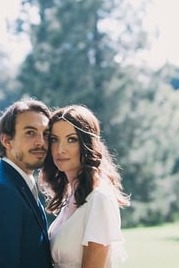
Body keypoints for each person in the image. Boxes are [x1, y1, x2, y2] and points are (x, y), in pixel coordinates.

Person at [40, 104, 130, 268]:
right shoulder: (72, 195)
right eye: (54, 139)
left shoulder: (99, 199)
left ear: (87, 144)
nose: (60, 149)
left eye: (71, 139)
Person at [0, 98, 54, 268]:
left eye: (45, 134)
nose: (41, 141)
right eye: (30, 132)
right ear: (7, 141)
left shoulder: (20, 185)